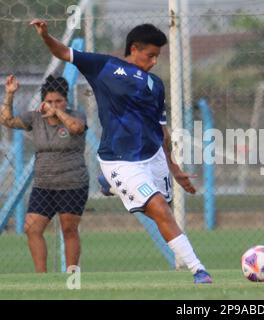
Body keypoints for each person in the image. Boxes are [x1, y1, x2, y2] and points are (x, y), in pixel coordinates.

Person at [30, 19, 213, 283]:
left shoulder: (155, 85)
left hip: (153, 157)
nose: (153, 62)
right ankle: (199, 270)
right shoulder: (104, 66)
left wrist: (174, 169)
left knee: (165, 211)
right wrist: (46, 35)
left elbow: (162, 130)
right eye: (150, 55)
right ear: (134, 48)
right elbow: (63, 52)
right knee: (159, 209)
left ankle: (112, 185)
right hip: (119, 161)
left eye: (157, 56)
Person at [0, 74, 89, 273]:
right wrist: (9, 94)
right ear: (43, 102)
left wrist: (58, 112)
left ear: (66, 100)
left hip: (72, 183)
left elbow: (76, 128)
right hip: (44, 185)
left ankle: (72, 278)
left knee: (69, 229)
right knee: (32, 228)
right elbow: (6, 120)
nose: (53, 104)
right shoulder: (35, 118)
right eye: (49, 101)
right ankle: (42, 278)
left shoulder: (76, 115)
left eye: (58, 101)